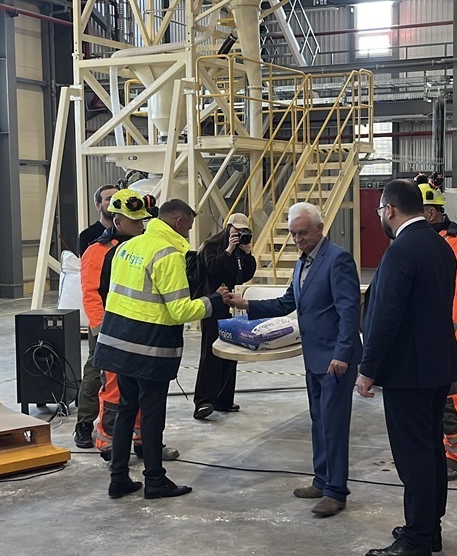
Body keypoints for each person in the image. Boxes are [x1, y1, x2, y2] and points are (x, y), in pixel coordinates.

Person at [225, 203, 361, 518]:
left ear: (320, 229)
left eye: (303, 233)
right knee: (319, 420)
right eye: (293, 233)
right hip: (314, 357)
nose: (297, 239)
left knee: (334, 424)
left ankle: (336, 492)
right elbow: (288, 301)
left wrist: (342, 354)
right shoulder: (304, 262)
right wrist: (245, 304)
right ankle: (321, 480)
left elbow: (349, 311)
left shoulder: (337, 259)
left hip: (335, 360)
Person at [94, 199, 228, 500]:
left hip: (118, 343)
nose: (188, 233)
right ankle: (155, 480)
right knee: (152, 415)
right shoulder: (168, 254)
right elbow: (180, 311)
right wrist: (215, 301)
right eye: (189, 227)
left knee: (126, 409)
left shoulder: (126, 247)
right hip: (149, 348)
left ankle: (118, 478)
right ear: (179, 222)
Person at [356, 179, 457, 556]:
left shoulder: (401, 250)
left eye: (380, 211)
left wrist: (368, 369)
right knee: (430, 450)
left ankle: (417, 539)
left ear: (390, 209)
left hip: (408, 371)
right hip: (437, 366)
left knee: (413, 456)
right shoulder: (440, 246)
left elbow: (386, 316)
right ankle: (428, 528)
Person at [87, 189, 179, 463]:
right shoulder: (98, 252)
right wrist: (102, 331)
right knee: (114, 392)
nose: (141, 225)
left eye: (142, 221)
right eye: (135, 221)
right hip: (114, 334)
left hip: (141, 334)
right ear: (118, 220)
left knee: (143, 395)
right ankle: (109, 442)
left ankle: (144, 441)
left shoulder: (142, 248)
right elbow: (92, 294)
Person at [415, 174, 457, 481]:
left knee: (450, 394)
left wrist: (440, 331)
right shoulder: (423, 239)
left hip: (444, 333)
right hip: (426, 333)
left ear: (430, 213)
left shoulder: (456, 241)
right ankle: (437, 450)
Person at [192, 213, 256, 419]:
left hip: (231, 305)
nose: (239, 234)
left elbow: (245, 275)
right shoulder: (210, 246)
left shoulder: (240, 251)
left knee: (231, 354)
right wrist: (228, 250)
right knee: (211, 353)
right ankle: (203, 400)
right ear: (228, 228)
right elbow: (213, 268)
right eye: (236, 229)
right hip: (212, 305)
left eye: (243, 231)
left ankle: (224, 399)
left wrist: (247, 255)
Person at [73, 184, 120, 448]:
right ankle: (84, 424)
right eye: (108, 199)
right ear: (98, 205)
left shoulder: (133, 236)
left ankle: (123, 427)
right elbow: (91, 281)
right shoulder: (90, 237)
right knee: (95, 369)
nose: (113, 202)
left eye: (117, 198)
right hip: (102, 314)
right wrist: (98, 323)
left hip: (128, 314)